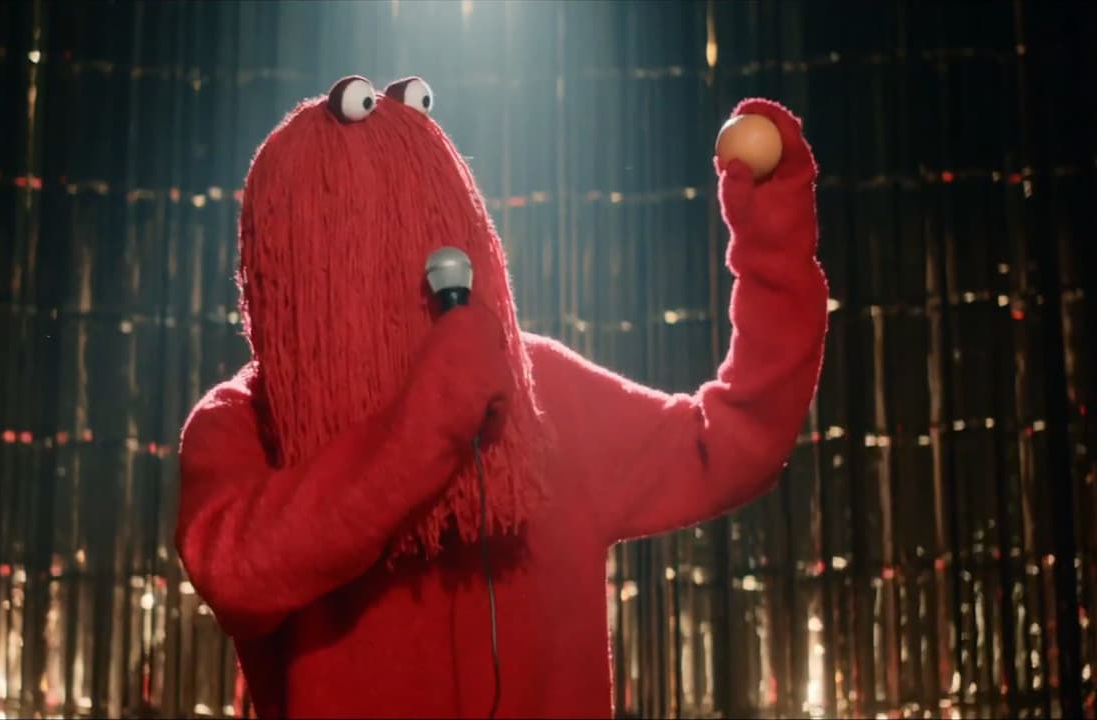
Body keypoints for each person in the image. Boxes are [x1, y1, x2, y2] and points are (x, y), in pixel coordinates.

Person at [175, 74, 827, 719]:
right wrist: (432, 418)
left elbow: (731, 446)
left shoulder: (539, 392)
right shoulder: (244, 421)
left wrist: (771, 240)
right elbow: (236, 573)